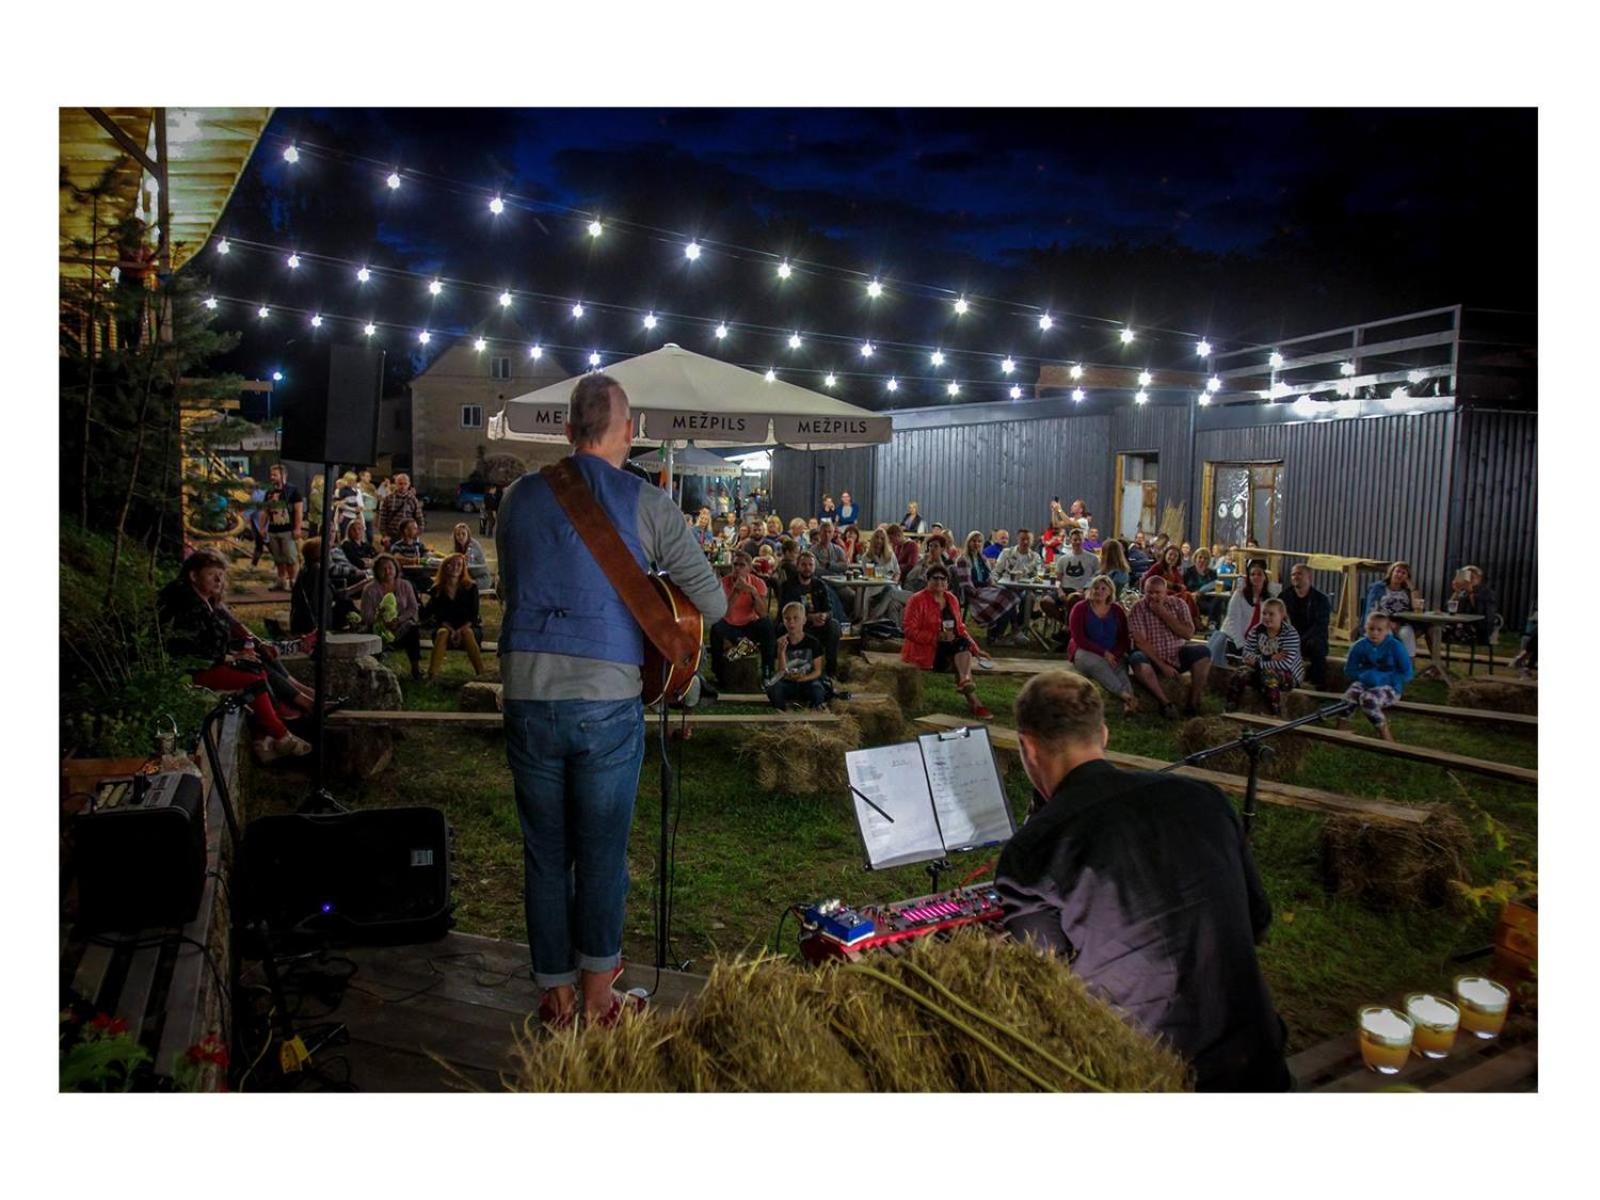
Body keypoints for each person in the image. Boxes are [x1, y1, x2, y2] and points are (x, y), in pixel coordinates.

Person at [495, 372, 725, 1030]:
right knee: (600, 852)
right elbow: (711, 602)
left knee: (544, 853)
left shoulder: (516, 498)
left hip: (527, 689)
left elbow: (513, 587)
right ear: (630, 432)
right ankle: (599, 1001)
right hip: (605, 698)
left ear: (568, 432)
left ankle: (557, 997)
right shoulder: (648, 504)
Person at [994, 670, 1290, 1092]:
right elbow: (1257, 919)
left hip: (1143, 1077)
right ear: (1104, 734)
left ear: (1027, 747)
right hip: (1257, 1064)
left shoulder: (1034, 848)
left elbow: (1043, 988)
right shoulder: (1205, 798)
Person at [158, 549, 313, 763]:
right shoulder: (188, 605)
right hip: (192, 670)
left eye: (221, 575)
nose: (219, 580)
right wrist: (231, 657)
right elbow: (192, 649)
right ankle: (280, 734)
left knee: (256, 665)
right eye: (212, 574)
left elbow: (223, 635)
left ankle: (267, 738)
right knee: (253, 679)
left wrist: (239, 653)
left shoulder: (203, 600)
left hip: (205, 663)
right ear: (193, 576)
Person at [900, 564, 993, 719]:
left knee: (962, 644)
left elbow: (960, 629)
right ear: (928, 580)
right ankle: (974, 701)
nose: (939, 582)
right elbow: (909, 630)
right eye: (935, 578)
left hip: (952, 648)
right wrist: (935, 637)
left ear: (947, 582)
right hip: (926, 651)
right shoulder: (916, 600)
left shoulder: (952, 599)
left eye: (943, 579)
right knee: (960, 650)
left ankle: (965, 682)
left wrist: (976, 649)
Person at [1128, 574, 1211, 719]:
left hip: (1176, 653)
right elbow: (1140, 642)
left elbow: (1188, 634)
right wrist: (1162, 665)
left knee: (1203, 652)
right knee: (1136, 658)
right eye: (1149, 592)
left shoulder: (1178, 604)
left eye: (1157, 592)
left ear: (1165, 592)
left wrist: (1162, 613)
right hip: (1153, 658)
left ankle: (1193, 702)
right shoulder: (1138, 608)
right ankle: (1166, 703)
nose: (1153, 596)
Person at [1066, 575, 1138, 716]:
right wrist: (1104, 653)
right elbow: (1079, 638)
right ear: (1090, 590)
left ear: (1110, 592)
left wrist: (1115, 654)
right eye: (1096, 588)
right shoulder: (1080, 608)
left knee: (1120, 669)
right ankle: (1125, 696)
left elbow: (1123, 638)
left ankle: (1129, 705)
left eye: (1103, 588)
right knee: (1099, 664)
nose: (1098, 591)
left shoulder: (1117, 610)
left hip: (1112, 652)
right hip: (1085, 652)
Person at [1342, 611, 1413, 743]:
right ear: (1365, 628)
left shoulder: (1396, 647)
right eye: (1371, 629)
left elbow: (1407, 673)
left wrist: (1384, 678)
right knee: (1349, 696)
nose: (1375, 633)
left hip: (1391, 687)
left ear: (1387, 630)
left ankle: (1386, 735)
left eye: (1379, 630)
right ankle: (1341, 730)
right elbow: (1349, 669)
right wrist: (1363, 675)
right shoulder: (1359, 646)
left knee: (1368, 699)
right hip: (1365, 683)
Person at [1226, 598, 1304, 716]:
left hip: (1288, 675)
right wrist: (1269, 657)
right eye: (1264, 613)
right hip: (1260, 669)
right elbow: (1246, 655)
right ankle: (1230, 710)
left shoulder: (1290, 634)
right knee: (1240, 673)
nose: (1266, 617)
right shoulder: (1256, 630)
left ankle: (1275, 714)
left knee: (1269, 675)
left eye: (1271, 614)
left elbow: (1285, 664)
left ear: (1282, 615)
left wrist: (1257, 662)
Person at [709, 550, 776, 688]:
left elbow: (763, 613)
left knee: (767, 625)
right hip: (729, 625)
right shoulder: (723, 583)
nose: (738, 568)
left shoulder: (758, 583)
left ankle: (767, 672)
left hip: (750, 625)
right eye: (735, 565)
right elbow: (723, 613)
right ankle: (719, 673)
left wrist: (753, 593)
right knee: (716, 627)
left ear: (749, 568)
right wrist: (735, 592)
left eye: (742, 565)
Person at [420, 553, 486, 679]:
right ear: (445, 567)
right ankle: (432, 675)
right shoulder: (437, 590)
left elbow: (473, 615)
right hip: (445, 628)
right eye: (452, 564)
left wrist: (459, 631)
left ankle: (481, 673)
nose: (455, 567)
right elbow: (435, 616)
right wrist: (452, 631)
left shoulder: (471, 588)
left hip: (469, 628)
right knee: (442, 632)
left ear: (463, 568)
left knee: (467, 632)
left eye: (459, 565)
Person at [779, 550, 843, 677]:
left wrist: (824, 616)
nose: (807, 568)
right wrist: (809, 618)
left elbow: (829, 610)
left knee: (834, 626)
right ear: (798, 566)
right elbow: (785, 611)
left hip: (818, 624)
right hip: (797, 625)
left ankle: (831, 672)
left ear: (814, 567)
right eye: (803, 565)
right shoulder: (788, 586)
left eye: (810, 565)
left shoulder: (820, 585)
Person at [360, 553, 423, 679]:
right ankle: (373, 670)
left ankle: (416, 669)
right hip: (378, 628)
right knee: (370, 633)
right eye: (383, 569)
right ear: (376, 571)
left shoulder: (405, 585)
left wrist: (398, 620)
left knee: (413, 629)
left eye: (390, 568)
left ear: (395, 569)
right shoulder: (369, 590)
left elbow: (413, 608)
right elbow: (366, 615)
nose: (387, 571)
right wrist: (382, 621)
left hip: (401, 625)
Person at [1208, 558, 1279, 666]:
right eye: (1252, 574)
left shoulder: (1269, 599)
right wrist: (1241, 644)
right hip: (1233, 638)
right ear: (1249, 578)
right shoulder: (1239, 595)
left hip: (1255, 642)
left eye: (1259, 574)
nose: (1256, 577)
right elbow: (1233, 621)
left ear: (1265, 577)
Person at [290, 536, 364, 635]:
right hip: (313, 625)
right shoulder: (315, 571)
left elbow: (337, 595)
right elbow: (315, 602)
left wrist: (361, 585)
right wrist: (319, 630)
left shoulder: (312, 568)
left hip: (318, 621)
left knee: (346, 603)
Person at [767, 602, 828, 710]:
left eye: (796, 618)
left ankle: (814, 709)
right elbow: (781, 672)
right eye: (787, 619)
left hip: (808, 681)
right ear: (783, 621)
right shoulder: (781, 643)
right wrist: (781, 652)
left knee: (818, 689)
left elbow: (817, 671)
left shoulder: (813, 643)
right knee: (773, 688)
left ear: (804, 620)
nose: (791, 622)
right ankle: (783, 710)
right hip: (788, 683)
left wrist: (804, 678)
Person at [1282, 563, 1331, 688]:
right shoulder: (1284, 597)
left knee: (1317, 645)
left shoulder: (1321, 600)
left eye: (1299, 574)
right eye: (1293, 574)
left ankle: (1317, 685)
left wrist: (1299, 640)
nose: (1295, 577)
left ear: (1309, 577)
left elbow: (1320, 626)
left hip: (1311, 639)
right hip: (1288, 638)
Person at [1362, 561, 1422, 656]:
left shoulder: (1406, 591)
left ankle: (1408, 663)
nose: (1400, 575)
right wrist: (1387, 622)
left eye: (1403, 573)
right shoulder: (1378, 588)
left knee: (1407, 633)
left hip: (1402, 623)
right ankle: (1385, 662)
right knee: (1387, 634)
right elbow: (1371, 609)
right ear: (1391, 572)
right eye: (1397, 571)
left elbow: (1417, 607)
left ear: (1407, 577)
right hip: (1381, 622)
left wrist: (1412, 587)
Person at [261, 463, 304, 591]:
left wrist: (297, 528)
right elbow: (265, 511)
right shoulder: (269, 492)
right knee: (278, 557)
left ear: (283, 475)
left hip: (287, 530)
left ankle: (293, 581)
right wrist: (262, 527)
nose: (272, 477)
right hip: (273, 529)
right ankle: (281, 580)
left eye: (275, 475)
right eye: (271, 475)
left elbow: (298, 510)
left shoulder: (292, 490)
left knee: (290, 557)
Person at [1143, 543, 1200, 626]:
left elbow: (1181, 584)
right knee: (1187, 596)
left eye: (1175, 556)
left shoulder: (1174, 570)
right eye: (1170, 554)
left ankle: (1191, 621)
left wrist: (1181, 587)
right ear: (1165, 555)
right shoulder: (1158, 567)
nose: (1172, 557)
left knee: (1188, 596)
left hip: (1173, 595)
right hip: (1160, 596)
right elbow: (1146, 581)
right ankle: (1192, 622)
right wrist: (1170, 585)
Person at [378, 472, 424, 546]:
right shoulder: (388, 499)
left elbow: (419, 518)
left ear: (409, 484)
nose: (403, 486)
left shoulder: (412, 499)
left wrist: (416, 534)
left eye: (405, 484)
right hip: (392, 536)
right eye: (400, 484)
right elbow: (382, 519)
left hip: (408, 537)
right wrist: (384, 535)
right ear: (396, 484)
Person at [1185, 548, 1225, 630]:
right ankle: (1208, 625)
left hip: (1208, 599)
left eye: (1205, 558)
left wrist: (1202, 592)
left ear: (1208, 560)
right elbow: (1183, 588)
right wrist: (1192, 594)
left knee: (1218, 599)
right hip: (1193, 600)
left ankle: (1212, 625)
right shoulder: (1188, 571)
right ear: (1195, 558)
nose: (1202, 560)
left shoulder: (1212, 573)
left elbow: (1215, 586)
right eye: (1200, 557)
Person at [451, 521, 494, 592]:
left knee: (462, 587)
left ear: (468, 535)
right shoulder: (457, 547)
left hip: (481, 578)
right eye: (458, 534)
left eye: (463, 534)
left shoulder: (473, 545)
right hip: (469, 578)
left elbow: (467, 560)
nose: (461, 537)